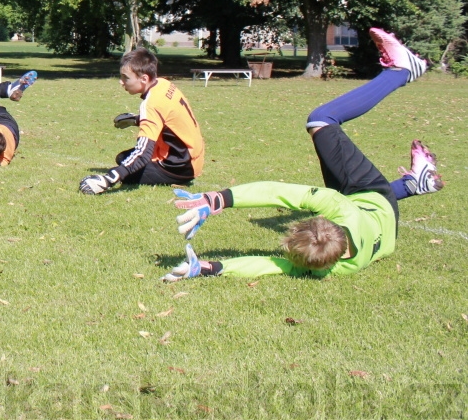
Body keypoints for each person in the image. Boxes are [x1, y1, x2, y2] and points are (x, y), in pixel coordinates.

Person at [162, 28, 442, 282]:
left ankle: (413, 182)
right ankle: (401, 72)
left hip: (386, 229)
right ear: (323, 218)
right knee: (321, 120)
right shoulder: (337, 206)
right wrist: (216, 199)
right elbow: (276, 193)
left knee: (325, 132)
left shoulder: (339, 266)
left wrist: (211, 267)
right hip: (372, 197)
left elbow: (270, 266)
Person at [79, 48, 204, 194]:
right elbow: (169, 118)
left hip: (180, 166)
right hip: (193, 155)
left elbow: (143, 152)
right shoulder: (163, 84)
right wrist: (137, 120)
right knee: (124, 158)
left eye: (125, 77)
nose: (121, 82)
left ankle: (175, 177)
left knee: (127, 171)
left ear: (144, 79)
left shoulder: (151, 104)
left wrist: (109, 178)